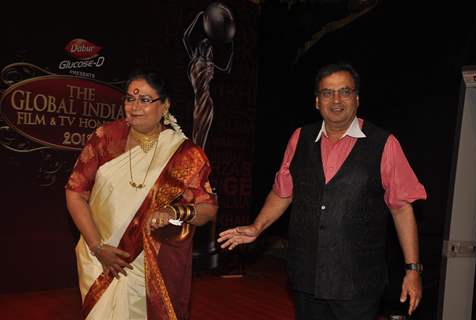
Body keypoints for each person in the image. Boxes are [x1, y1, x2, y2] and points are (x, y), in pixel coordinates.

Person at [218, 63, 426, 320]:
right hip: (307, 279)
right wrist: (257, 227)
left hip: (358, 284)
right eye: (327, 93)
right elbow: (283, 193)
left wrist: (413, 269)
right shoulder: (299, 138)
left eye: (345, 92)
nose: (336, 100)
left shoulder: (384, 143)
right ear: (317, 101)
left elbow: (402, 208)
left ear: (357, 99)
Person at [66, 68, 218, 320]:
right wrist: (97, 247)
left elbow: (208, 209)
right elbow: (75, 193)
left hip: (146, 264)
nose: (134, 107)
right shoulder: (105, 138)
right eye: (129, 98)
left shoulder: (184, 155)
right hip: (98, 256)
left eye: (145, 100)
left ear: (165, 104)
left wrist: (173, 211)